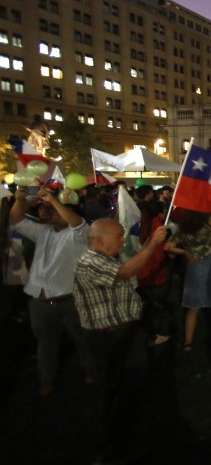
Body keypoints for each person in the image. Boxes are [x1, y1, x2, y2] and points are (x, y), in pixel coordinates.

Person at [73, 219, 168, 464]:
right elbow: (125, 273)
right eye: (119, 237)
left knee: (131, 389)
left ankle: (129, 435)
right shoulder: (89, 262)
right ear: (99, 240)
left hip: (125, 332)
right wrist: (152, 245)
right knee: (116, 391)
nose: (123, 241)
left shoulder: (106, 258)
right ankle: (111, 445)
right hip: (108, 338)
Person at [10, 186, 96, 395]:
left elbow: (76, 223)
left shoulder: (80, 234)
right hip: (40, 301)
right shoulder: (44, 232)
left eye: (55, 211)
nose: (49, 213)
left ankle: (91, 370)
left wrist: (54, 201)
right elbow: (16, 219)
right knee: (45, 342)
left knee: (82, 340)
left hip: (70, 300)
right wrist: (20, 201)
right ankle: (46, 378)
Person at [164, 210, 211, 351]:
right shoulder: (210, 222)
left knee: (193, 307)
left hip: (195, 267)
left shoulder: (184, 227)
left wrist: (186, 252)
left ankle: (188, 342)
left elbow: (167, 246)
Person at [136, 200, 170, 345]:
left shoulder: (139, 224)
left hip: (141, 271)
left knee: (147, 304)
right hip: (154, 271)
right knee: (154, 306)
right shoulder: (156, 224)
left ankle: (149, 332)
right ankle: (152, 335)